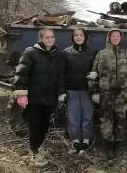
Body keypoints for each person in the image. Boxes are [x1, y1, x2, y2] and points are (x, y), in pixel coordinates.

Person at [13, 28, 65, 167]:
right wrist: (22, 94)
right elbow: (21, 74)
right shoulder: (30, 53)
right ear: (41, 39)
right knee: (34, 125)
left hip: (49, 98)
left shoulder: (57, 54)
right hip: (34, 98)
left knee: (44, 125)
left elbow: (60, 76)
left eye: (52, 37)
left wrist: (60, 93)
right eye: (47, 37)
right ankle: (34, 153)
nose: (50, 39)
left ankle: (39, 146)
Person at [89, 28, 127, 162]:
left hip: (122, 93)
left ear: (121, 38)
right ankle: (108, 145)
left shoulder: (125, 54)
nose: (115, 37)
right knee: (106, 119)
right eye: (113, 35)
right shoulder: (101, 54)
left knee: (120, 118)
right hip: (106, 93)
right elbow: (93, 73)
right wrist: (94, 91)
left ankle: (118, 143)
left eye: (118, 36)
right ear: (109, 37)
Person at [62, 28, 98, 154]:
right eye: (76, 35)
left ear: (85, 37)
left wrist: (96, 75)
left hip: (87, 90)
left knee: (87, 116)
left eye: (81, 35)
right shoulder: (66, 52)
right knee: (73, 117)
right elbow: (61, 73)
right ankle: (76, 139)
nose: (78, 37)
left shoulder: (93, 52)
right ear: (72, 38)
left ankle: (86, 139)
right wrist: (61, 91)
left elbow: (98, 68)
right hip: (71, 90)